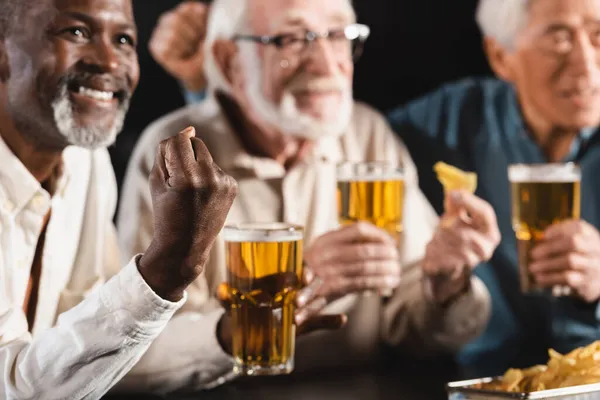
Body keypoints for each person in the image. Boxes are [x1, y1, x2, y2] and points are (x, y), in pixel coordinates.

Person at [118, 0, 499, 392]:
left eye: (337, 36)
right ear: (229, 58)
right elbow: (133, 347)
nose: (325, 63)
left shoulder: (367, 134)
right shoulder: (175, 153)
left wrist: (445, 284)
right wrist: (284, 295)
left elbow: (414, 328)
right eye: (291, 39)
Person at [0, 0, 238, 398]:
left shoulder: (86, 164)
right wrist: (167, 267)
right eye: (75, 32)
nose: (110, 62)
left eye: (124, 39)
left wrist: (240, 332)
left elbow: (103, 352)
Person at [386, 0, 600, 377]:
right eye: (559, 38)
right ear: (501, 56)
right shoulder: (443, 123)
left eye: (598, 35)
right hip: (473, 384)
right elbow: (343, 138)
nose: (586, 65)